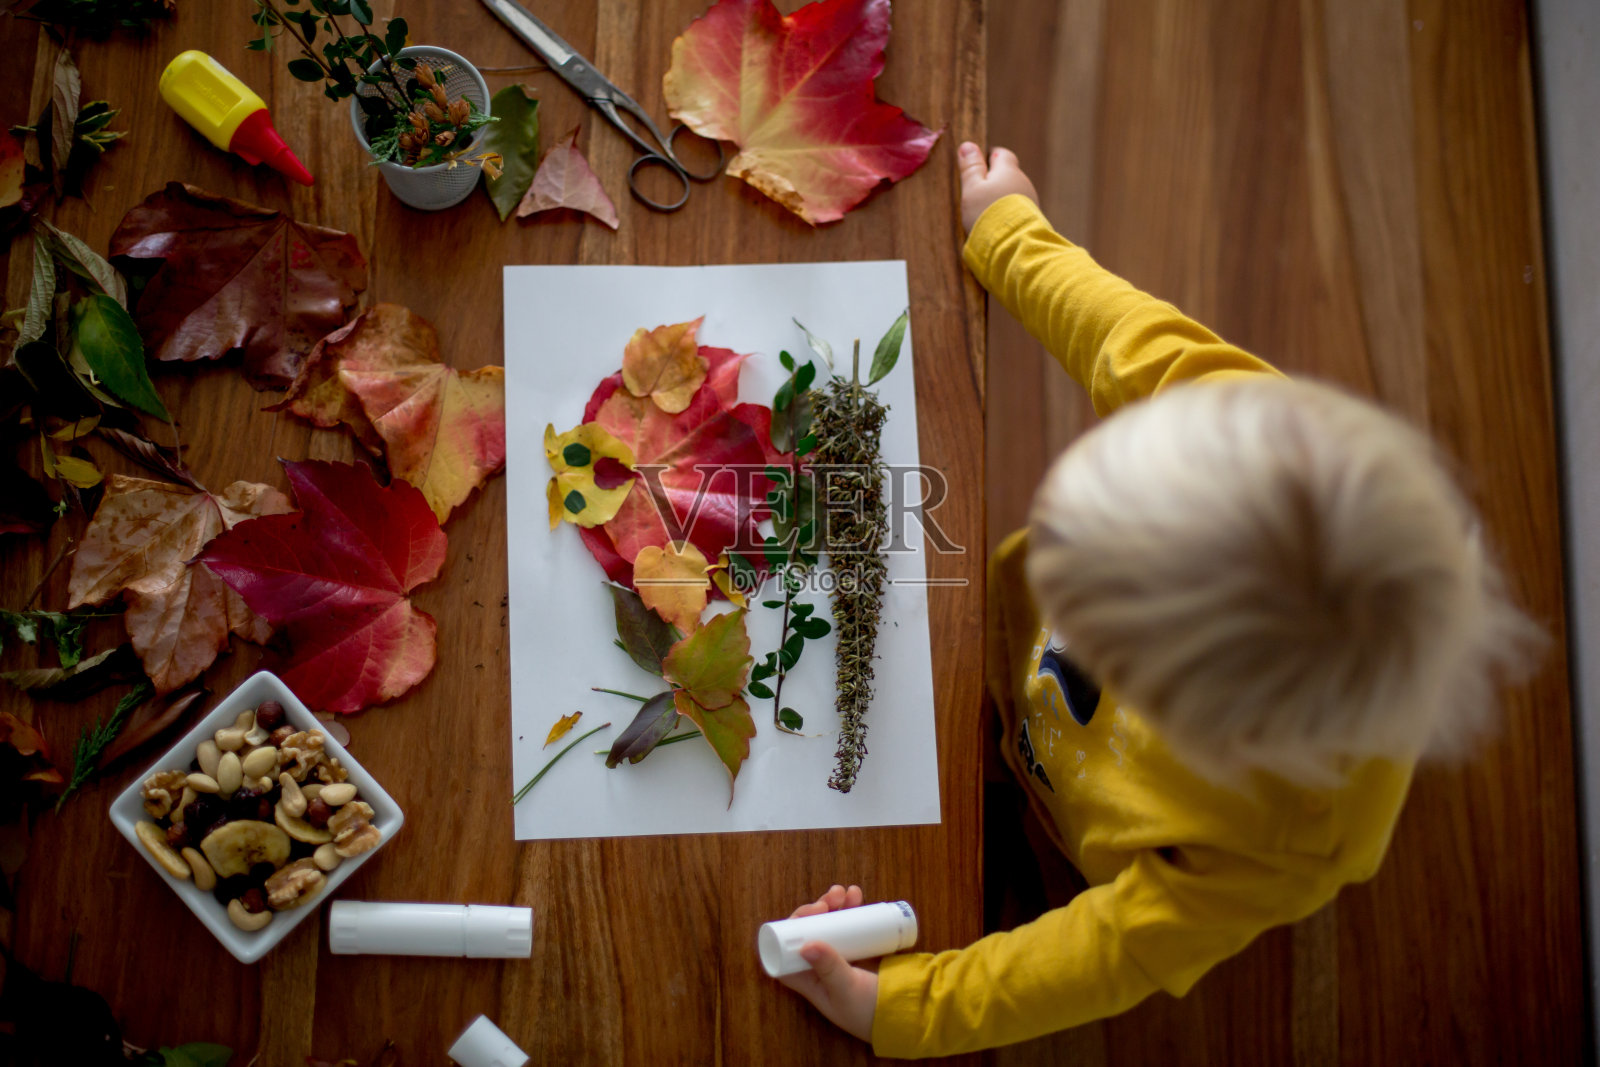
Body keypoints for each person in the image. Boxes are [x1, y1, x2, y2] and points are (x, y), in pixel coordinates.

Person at [771, 143, 1537, 1058]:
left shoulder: (1270, 844)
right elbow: (1118, 332)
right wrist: (1011, 231)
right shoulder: (1235, 414)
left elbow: (1098, 956)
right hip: (990, 654)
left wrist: (900, 1008)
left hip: (1064, 808)